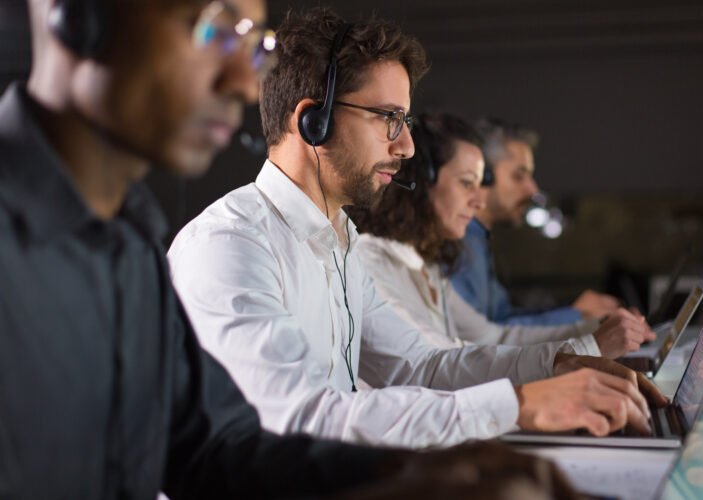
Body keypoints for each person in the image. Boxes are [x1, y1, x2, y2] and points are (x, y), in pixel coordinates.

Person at [0, 0, 586, 498]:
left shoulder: (127, 249)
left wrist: (422, 473)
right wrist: (509, 408)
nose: (239, 78)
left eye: (251, 41)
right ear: (78, 17)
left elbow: (215, 450)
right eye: (211, 25)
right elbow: (286, 422)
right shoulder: (223, 244)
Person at [167, 7, 666, 451]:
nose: (406, 146)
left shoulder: (340, 240)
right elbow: (300, 420)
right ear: (312, 121)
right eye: (389, 118)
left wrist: (560, 366)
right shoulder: (230, 246)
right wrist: (518, 406)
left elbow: (420, 366)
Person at [350, 111, 654, 360]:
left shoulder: (425, 264)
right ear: (421, 182)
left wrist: (591, 330)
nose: (479, 201)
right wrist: (587, 346)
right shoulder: (372, 260)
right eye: (467, 183)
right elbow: (435, 363)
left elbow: (493, 337)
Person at [450, 117, 622, 326]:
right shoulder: (457, 241)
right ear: (483, 175)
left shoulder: (478, 239)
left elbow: (502, 317)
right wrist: (575, 315)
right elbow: (479, 337)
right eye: (519, 176)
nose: (533, 189)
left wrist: (575, 309)